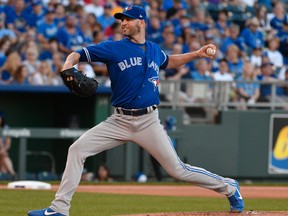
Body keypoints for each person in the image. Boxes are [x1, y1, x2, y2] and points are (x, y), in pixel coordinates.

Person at [27, 5, 244, 216]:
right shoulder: (114, 48)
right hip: (118, 121)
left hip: (148, 121)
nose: (123, 23)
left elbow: (170, 61)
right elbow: (78, 54)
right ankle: (59, 209)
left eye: (128, 19)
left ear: (141, 22)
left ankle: (229, 187)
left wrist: (196, 54)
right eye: (122, 20)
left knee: (177, 169)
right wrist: (67, 65)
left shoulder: (154, 50)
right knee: (77, 150)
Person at [0, 111, 16, 179]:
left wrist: (3, 150)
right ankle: (12, 173)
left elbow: (8, 143)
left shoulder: (6, 128)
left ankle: (12, 174)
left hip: (2, 151)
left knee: (3, 157)